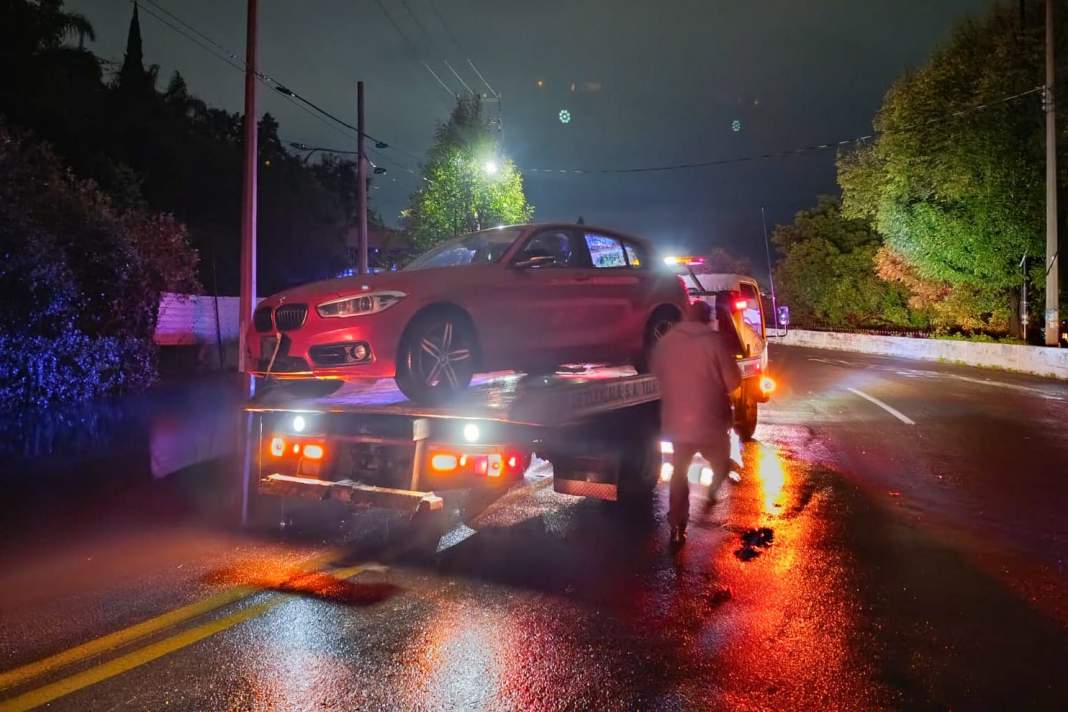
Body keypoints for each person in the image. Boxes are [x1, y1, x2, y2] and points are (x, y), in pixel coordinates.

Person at [651, 299, 742, 546]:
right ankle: (712, 490)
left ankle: (677, 524)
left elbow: (656, 370)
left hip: (677, 422)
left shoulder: (668, 341)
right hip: (711, 421)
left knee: (679, 474)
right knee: (721, 463)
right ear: (707, 317)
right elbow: (734, 381)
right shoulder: (714, 342)